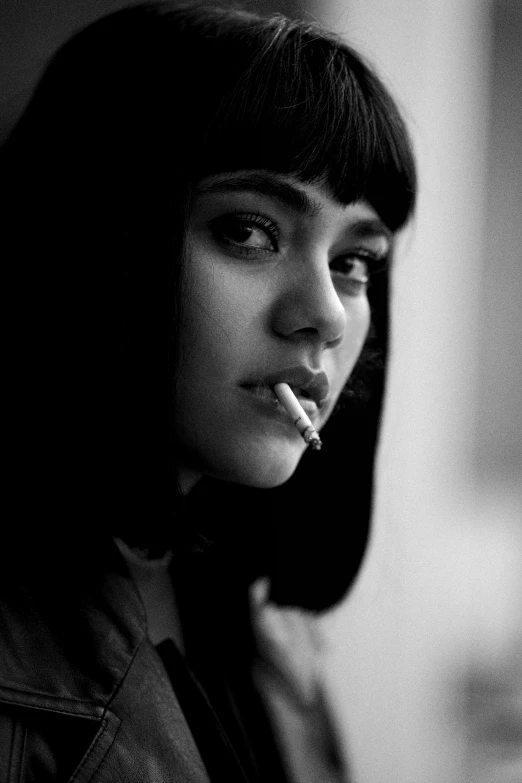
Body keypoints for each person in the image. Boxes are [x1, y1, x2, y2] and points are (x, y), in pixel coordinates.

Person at [0, 2, 416, 781]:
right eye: (250, 232)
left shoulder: (261, 620)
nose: (325, 313)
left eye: (354, 259)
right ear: (96, 234)